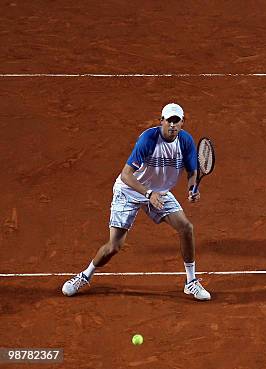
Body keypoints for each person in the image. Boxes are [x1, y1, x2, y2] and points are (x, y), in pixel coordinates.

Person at [61, 103, 211, 300]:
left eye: (177, 121)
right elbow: (126, 175)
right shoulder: (148, 140)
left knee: (186, 228)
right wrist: (148, 194)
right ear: (161, 121)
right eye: (169, 120)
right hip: (130, 191)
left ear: (183, 122)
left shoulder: (186, 141)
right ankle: (84, 276)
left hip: (159, 193)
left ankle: (191, 282)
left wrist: (193, 188)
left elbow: (192, 172)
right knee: (114, 246)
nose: (172, 125)